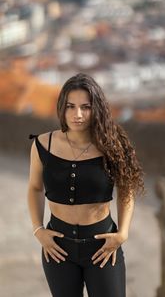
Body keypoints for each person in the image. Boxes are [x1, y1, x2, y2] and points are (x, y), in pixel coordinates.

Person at [27, 73, 144, 297]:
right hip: (57, 249)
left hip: (103, 247)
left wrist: (123, 233)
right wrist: (38, 229)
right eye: (70, 106)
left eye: (85, 107)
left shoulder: (113, 146)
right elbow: (34, 188)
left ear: (96, 109)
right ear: (62, 107)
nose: (77, 114)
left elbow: (126, 189)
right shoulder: (42, 144)